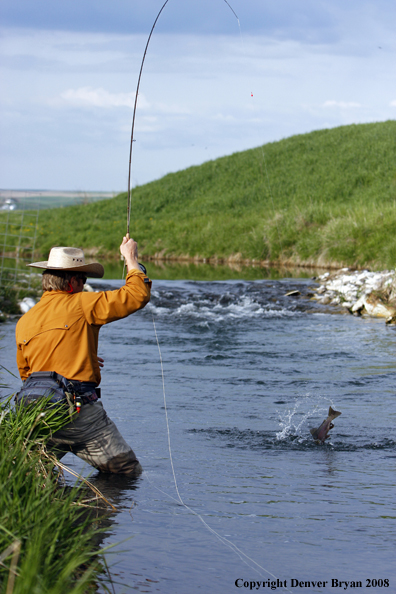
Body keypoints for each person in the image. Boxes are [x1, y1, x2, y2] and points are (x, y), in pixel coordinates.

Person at [15, 236, 151, 475]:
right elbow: (136, 295)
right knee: (126, 472)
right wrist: (131, 259)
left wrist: (81, 355)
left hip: (35, 414)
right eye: (84, 279)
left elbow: (28, 374)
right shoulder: (81, 303)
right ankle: (87, 512)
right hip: (78, 413)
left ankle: (50, 509)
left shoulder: (25, 320)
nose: (84, 285)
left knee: (37, 477)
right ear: (73, 282)